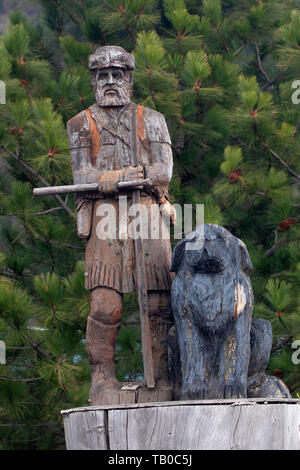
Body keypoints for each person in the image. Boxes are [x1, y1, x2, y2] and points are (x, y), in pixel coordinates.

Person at [67, 46, 174, 405]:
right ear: (94, 80)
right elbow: (82, 174)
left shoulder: (153, 119)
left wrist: (137, 177)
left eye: (117, 75)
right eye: (102, 76)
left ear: (128, 78)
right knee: (105, 305)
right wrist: (113, 178)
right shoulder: (80, 123)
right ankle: (103, 381)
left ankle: (160, 377)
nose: (110, 82)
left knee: (159, 303)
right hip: (104, 219)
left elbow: (163, 170)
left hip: (147, 213)